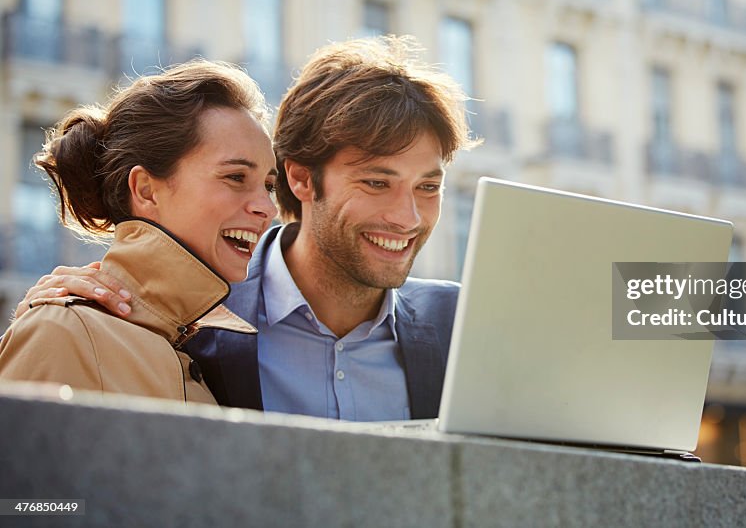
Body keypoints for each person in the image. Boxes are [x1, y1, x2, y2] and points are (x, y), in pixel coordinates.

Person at [17, 36, 476, 420]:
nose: (409, 217)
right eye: (377, 182)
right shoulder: (193, 326)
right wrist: (57, 320)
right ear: (300, 179)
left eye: (428, 187)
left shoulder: (464, 325)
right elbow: (28, 505)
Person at [0, 61, 279, 404]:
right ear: (146, 190)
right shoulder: (63, 332)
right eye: (236, 177)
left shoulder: (208, 352)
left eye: (269, 186)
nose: (268, 208)